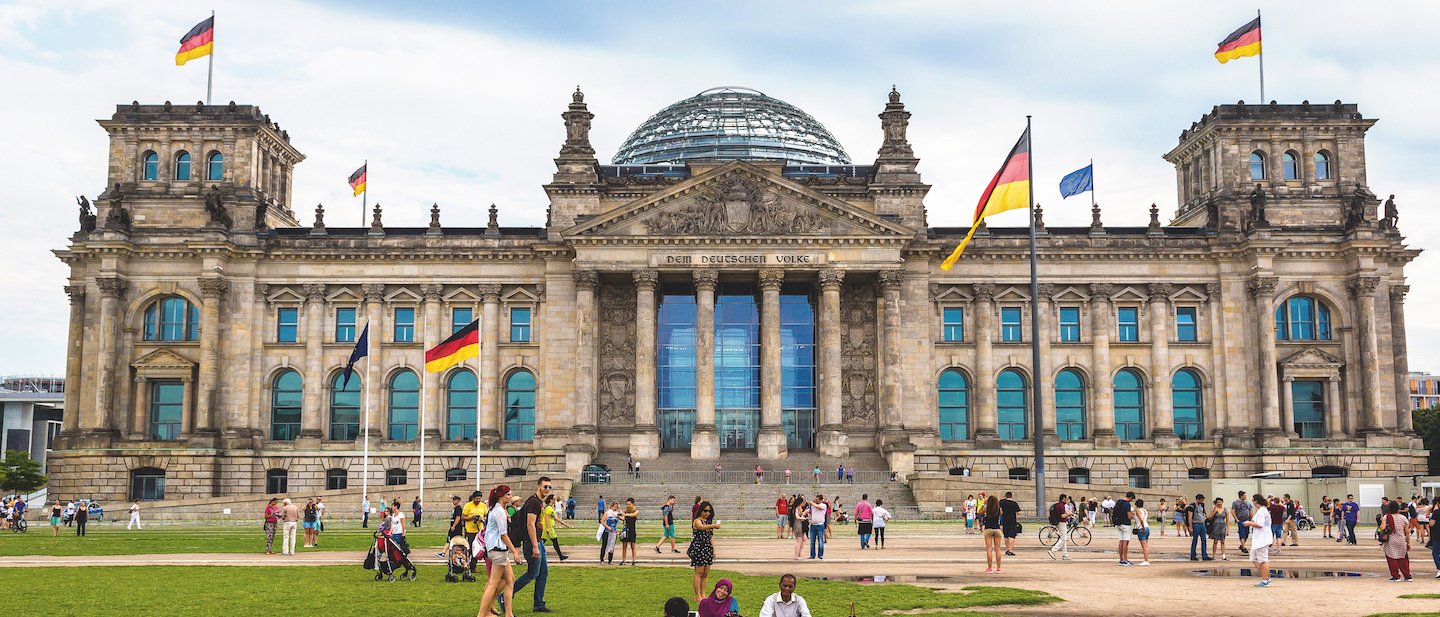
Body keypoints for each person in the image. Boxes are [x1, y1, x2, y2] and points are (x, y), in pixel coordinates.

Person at [511, 476, 552, 613]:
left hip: (539, 542)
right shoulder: (534, 502)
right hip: (532, 543)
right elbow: (530, 524)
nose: (547, 489)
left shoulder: (539, 502)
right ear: (538, 487)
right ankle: (506, 595)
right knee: (532, 573)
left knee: (543, 573)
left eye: (549, 487)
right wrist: (535, 546)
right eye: (545, 486)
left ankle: (538, 604)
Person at [479, 484, 521, 617]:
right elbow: (503, 535)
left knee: (509, 580)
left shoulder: (496, 509)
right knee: (493, 583)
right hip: (498, 550)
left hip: (496, 550)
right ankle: (482, 614)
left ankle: (509, 613)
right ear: (501, 496)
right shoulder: (499, 512)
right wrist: (514, 551)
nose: (510, 496)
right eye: (508, 494)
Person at [690, 501, 721, 602]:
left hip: (707, 548)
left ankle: (703, 595)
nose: (707, 513)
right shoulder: (697, 520)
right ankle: (697, 595)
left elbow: (710, 537)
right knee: (698, 572)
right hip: (699, 548)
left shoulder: (708, 522)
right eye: (705, 510)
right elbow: (701, 527)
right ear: (701, 510)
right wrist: (713, 526)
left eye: (709, 511)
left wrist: (714, 550)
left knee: (705, 573)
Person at [1244, 494, 1274, 587]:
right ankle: (1265, 576)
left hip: (1262, 539)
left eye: (1253, 500)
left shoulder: (1261, 511)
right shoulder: (1262, 510)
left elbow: (1260, 524)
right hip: (1258, 539)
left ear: (1256, 501)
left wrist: (1250, 523)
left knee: (1263, 560)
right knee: (1253, 558)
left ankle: (1264, 580)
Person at [1382, 501, 1413, 581]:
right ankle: (1407, 575)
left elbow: (1382, 527)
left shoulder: (1386, 516)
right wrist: (1408, 543)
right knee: (1403, 558)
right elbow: (1407, 532)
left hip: (1391, 540)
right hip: (1401, 540)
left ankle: (1396, 576)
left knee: (1391, 558)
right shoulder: (1403, 518)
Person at [462, 490, 489, 575]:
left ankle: (473, 566)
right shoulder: (468, 506)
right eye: (476, 498)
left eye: (479, 499)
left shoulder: (483, 506)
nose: (478, 500)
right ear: (473, 498)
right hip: (470, 530)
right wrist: (472, 518)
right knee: (468, 548)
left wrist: (483, 519)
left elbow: (486, 515)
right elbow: (463, 517)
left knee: (478, 548)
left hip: (479, 531)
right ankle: (464, 565)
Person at [542, 494, 570, 561]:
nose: (555, 500)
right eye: (554, 499)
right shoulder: (548, 508)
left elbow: (555, 517)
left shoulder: (551, 508)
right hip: (548, 528)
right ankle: (560, 556)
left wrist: (563, 523)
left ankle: (560, 556)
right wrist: (548, 528)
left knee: (543, 542)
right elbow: (546, 518)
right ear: (551, 500)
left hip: (548, 527)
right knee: (554, 541)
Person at [981, 494, 1004, 573]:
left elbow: (979, 512)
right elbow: (1001, 513)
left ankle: (990, 568)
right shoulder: (998, 509)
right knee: (998, 549)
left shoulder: (986, 509)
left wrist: (984, 503)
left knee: (989, 549)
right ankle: (999, 568)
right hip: (996, 528)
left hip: (988, 529)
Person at [1047, 494, 1072, 561]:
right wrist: (1068, 515)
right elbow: (1062, 516)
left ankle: (1065, 554)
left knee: (1063, 538)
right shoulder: (1061, 506)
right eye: (1066, 499)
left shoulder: (1058, 505)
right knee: (1064, 538)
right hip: (1062, 522)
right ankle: (1053, 551)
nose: (1067, 500)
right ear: (1063, 498)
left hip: (1059, 522)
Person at [1186, 494, 1210, 560]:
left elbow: (1203, 512)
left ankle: (1204, 555)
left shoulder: (1202, 505)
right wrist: (1190, 527)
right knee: (1195, 540)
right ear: (1197, 499)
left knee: (1204, 540)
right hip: (1195, 524)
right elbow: (1189, 516)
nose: (1202, 502)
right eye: (1201, 500)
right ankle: (1193, 555)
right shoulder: (1192, 506)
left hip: (1201, 524)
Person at [1114, 491, 1134, 565]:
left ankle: (1121, 559)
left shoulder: (1119, 502)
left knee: (1121, 542)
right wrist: (1132, 515)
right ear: (1131, 497)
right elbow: (1129, 516)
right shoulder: (1127, 504)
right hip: (1126, 524)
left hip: (1119, 523)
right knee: (1125, 542)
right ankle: (1125, 560)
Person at [1000, 492, 1022, 556]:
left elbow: (1000, 503)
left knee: (1006, 535)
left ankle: (1007, 549)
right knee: (1012, 536)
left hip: (1005, 521)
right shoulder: (1014, 503)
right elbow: (1019, 512)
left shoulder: (1002, 503)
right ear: (1011, 496)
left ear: (1005, 496)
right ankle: (1011, 550)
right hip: (1012, 521)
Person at [619, 497, 639, 566]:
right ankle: (624, 560)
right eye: (627, 504)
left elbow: (633, 515)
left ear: (633, 504)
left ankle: (634, 560)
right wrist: (619, 516)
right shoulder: (625, 512)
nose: (628, 506)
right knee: (624, 546)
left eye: (629, 504)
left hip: (632, 530)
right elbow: (623, 518)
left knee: (633, 545)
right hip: (626, 530)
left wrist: (626, 514)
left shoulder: (636, 511)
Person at [808, 494, 828, 559]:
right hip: (813, 525)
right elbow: (810, 511)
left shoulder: (823, 505)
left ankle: (820, 555)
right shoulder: (813, 506)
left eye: (817, 499)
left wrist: (812, 503)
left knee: (820, 541)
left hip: (820, 525)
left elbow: (817, 506)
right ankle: (812, 555)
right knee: (812, 541)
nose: (815, 500)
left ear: (821, 500)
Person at [1133, 498, 1152, 566]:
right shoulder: (1145, 511)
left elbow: (1141, 520)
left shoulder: (1138, 511)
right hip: (1147, 527)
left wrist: (1143, 527)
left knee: (1144, 546)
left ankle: (1146, 560)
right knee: (1146, 545)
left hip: (1142, 528)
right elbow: (1145, 520)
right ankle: (1146, 559)